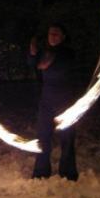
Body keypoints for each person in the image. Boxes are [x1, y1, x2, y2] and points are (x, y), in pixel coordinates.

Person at [27, 23, 78, 181]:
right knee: (43, 137)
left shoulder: (68, 53)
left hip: (65, 102)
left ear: (63, 37)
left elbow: (48, 66)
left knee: (67, 138)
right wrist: (32, 53)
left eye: (56, 34)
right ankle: (41, 172)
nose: (52, 36)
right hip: (46, 100)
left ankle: (68, 173)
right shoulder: (44, 52)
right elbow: (33, 64)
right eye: (50, 34)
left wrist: (41, 60)